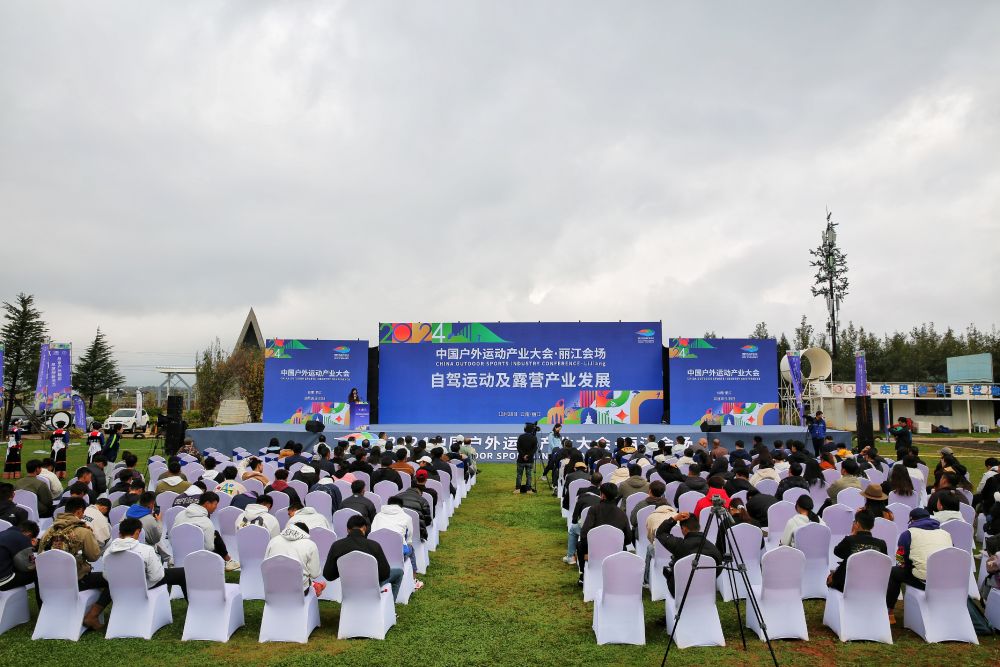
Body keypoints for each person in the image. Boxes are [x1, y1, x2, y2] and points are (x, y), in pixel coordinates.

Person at [37, 497, 107, 630]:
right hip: (76, 581)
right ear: (79, 512)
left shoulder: (48, 531)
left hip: (50, 582)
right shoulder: (83, 531)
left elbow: (41, 555)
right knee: (111, 579)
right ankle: (92, 616)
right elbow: (94, 556)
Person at [886, 507, 952, 624]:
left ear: (912, 520)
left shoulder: (908, 534)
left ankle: (889, 612)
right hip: (946, 579)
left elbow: (901, 560)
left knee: (893, 572)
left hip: (924, 580)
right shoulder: (946, 534)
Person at [324, 514, 404, 599]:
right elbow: (385, 574)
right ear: (364, 528)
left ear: (347, 530)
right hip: (371, 588)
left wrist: (342, 570)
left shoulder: (336, 546)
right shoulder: (374, 546)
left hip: (349, 589)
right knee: (399, 572)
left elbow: (328, 575)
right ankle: (389, 604)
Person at [108, 518, 188, 598]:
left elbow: (107, 575)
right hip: (145, 586)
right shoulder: (146, 550)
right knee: (182, 573)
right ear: (137, 532)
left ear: (119, 534)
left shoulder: (108, 552)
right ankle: (193, 602)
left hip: (120, 587)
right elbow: (155, 577)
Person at [655, 511, 723, 594]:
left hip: (680, 590)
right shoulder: (713, 548)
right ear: (698, 527)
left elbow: (660, 533)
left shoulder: (679, 545)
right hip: (704, 589)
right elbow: (719, 567)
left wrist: (675, 518)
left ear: (684, 529)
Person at [577, 483, 632, 583]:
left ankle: (583, 574)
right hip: (615, 551)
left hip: (594, 549)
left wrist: (590, 547)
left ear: (602, 495)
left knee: (580, 545)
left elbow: (584, 533)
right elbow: (628, 538)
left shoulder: (594, 510)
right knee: (624, 548)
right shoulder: (622, 513)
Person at [173, 492, 240, 571]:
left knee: (214, 534)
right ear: (207, 503)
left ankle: (228, 561)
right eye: (215, 504)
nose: (216, 507)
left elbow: (172, 535)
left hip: (179, 554)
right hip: (198, 558)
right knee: (214, 536)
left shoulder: (179, 515)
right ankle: (227, 561)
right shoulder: (206, 522)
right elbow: (209, 548)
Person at [372, 496, 424, 590]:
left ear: (388, 504)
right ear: (401, 506)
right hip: (398, 554)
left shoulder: (377, 516)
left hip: (377, 554)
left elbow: (372, 534)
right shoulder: (406, 517)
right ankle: (414, 580)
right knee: (411, 549)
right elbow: (409, 539)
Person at [827, 510, 887, 592]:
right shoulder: (881, 544)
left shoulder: (849, 540)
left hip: (849, 585)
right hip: (872, 584)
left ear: (857, 524)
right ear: (872, 525)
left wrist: (852, 535)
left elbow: (837, 552)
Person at [264, 521, 324, 595]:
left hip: (273, 589)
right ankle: (316, 585)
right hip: (299, 591)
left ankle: (315, 585)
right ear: (305, 534)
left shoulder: (273, 541)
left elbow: (265, 566)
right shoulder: (310, 545)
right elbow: (315, 574)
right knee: (304, 577)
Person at [564, 473, 603, 565]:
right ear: (601, 482)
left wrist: (576, 521)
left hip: (584, 528)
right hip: (601, 527)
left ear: (590, 479)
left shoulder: (582, 493)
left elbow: (574, 518)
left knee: (573, 529)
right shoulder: (602, 494)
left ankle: (570, 556)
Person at [125, 492, 170, 561]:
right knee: (157, 539)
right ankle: (169, 559)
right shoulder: (150, 520)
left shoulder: (127, 513)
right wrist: (159, 521)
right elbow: (156, 539)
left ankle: (168, 558)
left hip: (126, 547)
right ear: (152, 503)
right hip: (144, 552)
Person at [0, 520, 39, 593]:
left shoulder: (3, 533)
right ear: (29, 534)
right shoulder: (22, 538)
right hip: (3, 580)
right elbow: (28, 567)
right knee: (38, 572)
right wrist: (31, 546)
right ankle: (42, 599)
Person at [515, 423, 538, 494]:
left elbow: (518, 447)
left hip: (521, 459)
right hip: (530, 460)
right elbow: (534, 449)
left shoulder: (521, 437)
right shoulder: (534, 438)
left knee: (519, 475)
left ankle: (518, 489)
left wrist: (523, 455)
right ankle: (528, 489)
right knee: (529, 475)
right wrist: (528, 455)